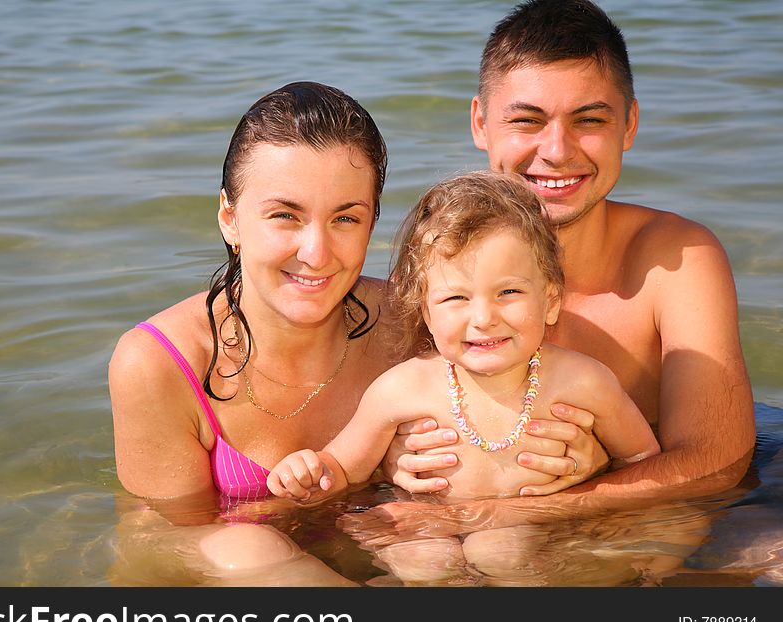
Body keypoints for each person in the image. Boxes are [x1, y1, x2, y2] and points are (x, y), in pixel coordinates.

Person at [108, 81, 581, 584]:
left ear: (373, 221)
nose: (316, 252)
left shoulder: (419, 322)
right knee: (247, 547)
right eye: (285, 216)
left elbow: (532, 414)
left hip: (390, 560)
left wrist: (573, 462)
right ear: (230, 218)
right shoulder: (158, 363)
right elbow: (155, 541)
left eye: (345, 218)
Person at [382, 0, 755, 524]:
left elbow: (718, 464)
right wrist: (390, 461)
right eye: (526, 120)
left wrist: (578, 491)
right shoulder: (437, 266)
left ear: (629, 125)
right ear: (481, 123)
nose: (556, 150)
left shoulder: (676, 260)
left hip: (626, 512)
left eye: (589, 120)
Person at [268, 171, 659, 505]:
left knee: (504, 551)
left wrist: (597, 473)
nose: (484, 318)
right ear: (426, 312)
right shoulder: (402, 389)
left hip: (532, 529)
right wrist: (306, 473)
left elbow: (644, 458)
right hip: (432, 523)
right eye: (456, 298)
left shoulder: (584, 383)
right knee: (417, 549)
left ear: (551, 301)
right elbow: (342, 468)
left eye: (508, 293)